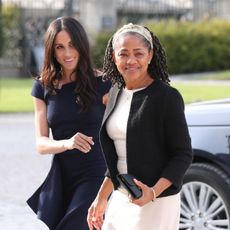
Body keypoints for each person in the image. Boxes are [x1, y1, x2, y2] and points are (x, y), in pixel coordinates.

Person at [87, 23, 193, 230]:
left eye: (138, 53)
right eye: (123, 54)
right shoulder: (116, 92)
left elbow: (182, 154)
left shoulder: (166, 97)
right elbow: (118, 157)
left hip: (156, 200)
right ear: (113, 57)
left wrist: (152, 192)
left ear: (150, 55)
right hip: (121, 195)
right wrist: (101, 198)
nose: (131, 60)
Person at [27, 16, 111, 230]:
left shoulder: (103, 84)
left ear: (81, 45)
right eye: (60, 47)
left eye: (72, 45)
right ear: (51, 50)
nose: (67, 53)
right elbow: (41, 143)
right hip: (62, 176)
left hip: (96, 174)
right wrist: (67, 143)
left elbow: (121, 132)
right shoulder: (43, 87)